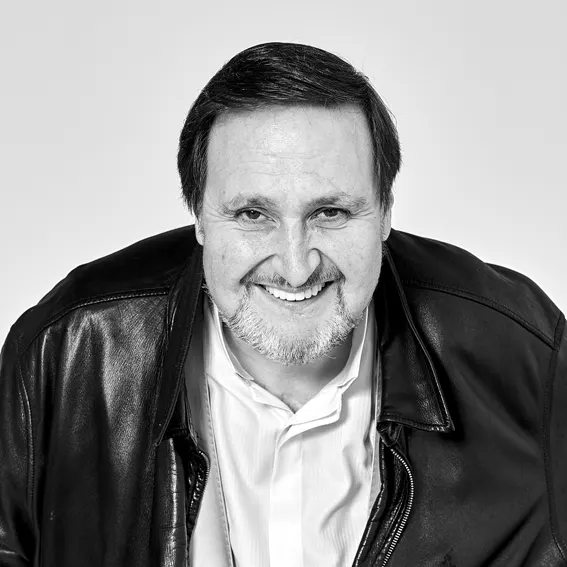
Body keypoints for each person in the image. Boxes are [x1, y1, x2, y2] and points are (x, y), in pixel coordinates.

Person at [0, 41, 565, 567]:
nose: (296, 267)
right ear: (198, 217)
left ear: (386, 212)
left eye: (331, 213)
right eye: (253, 215)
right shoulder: (65, 351)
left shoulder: (528, 357)